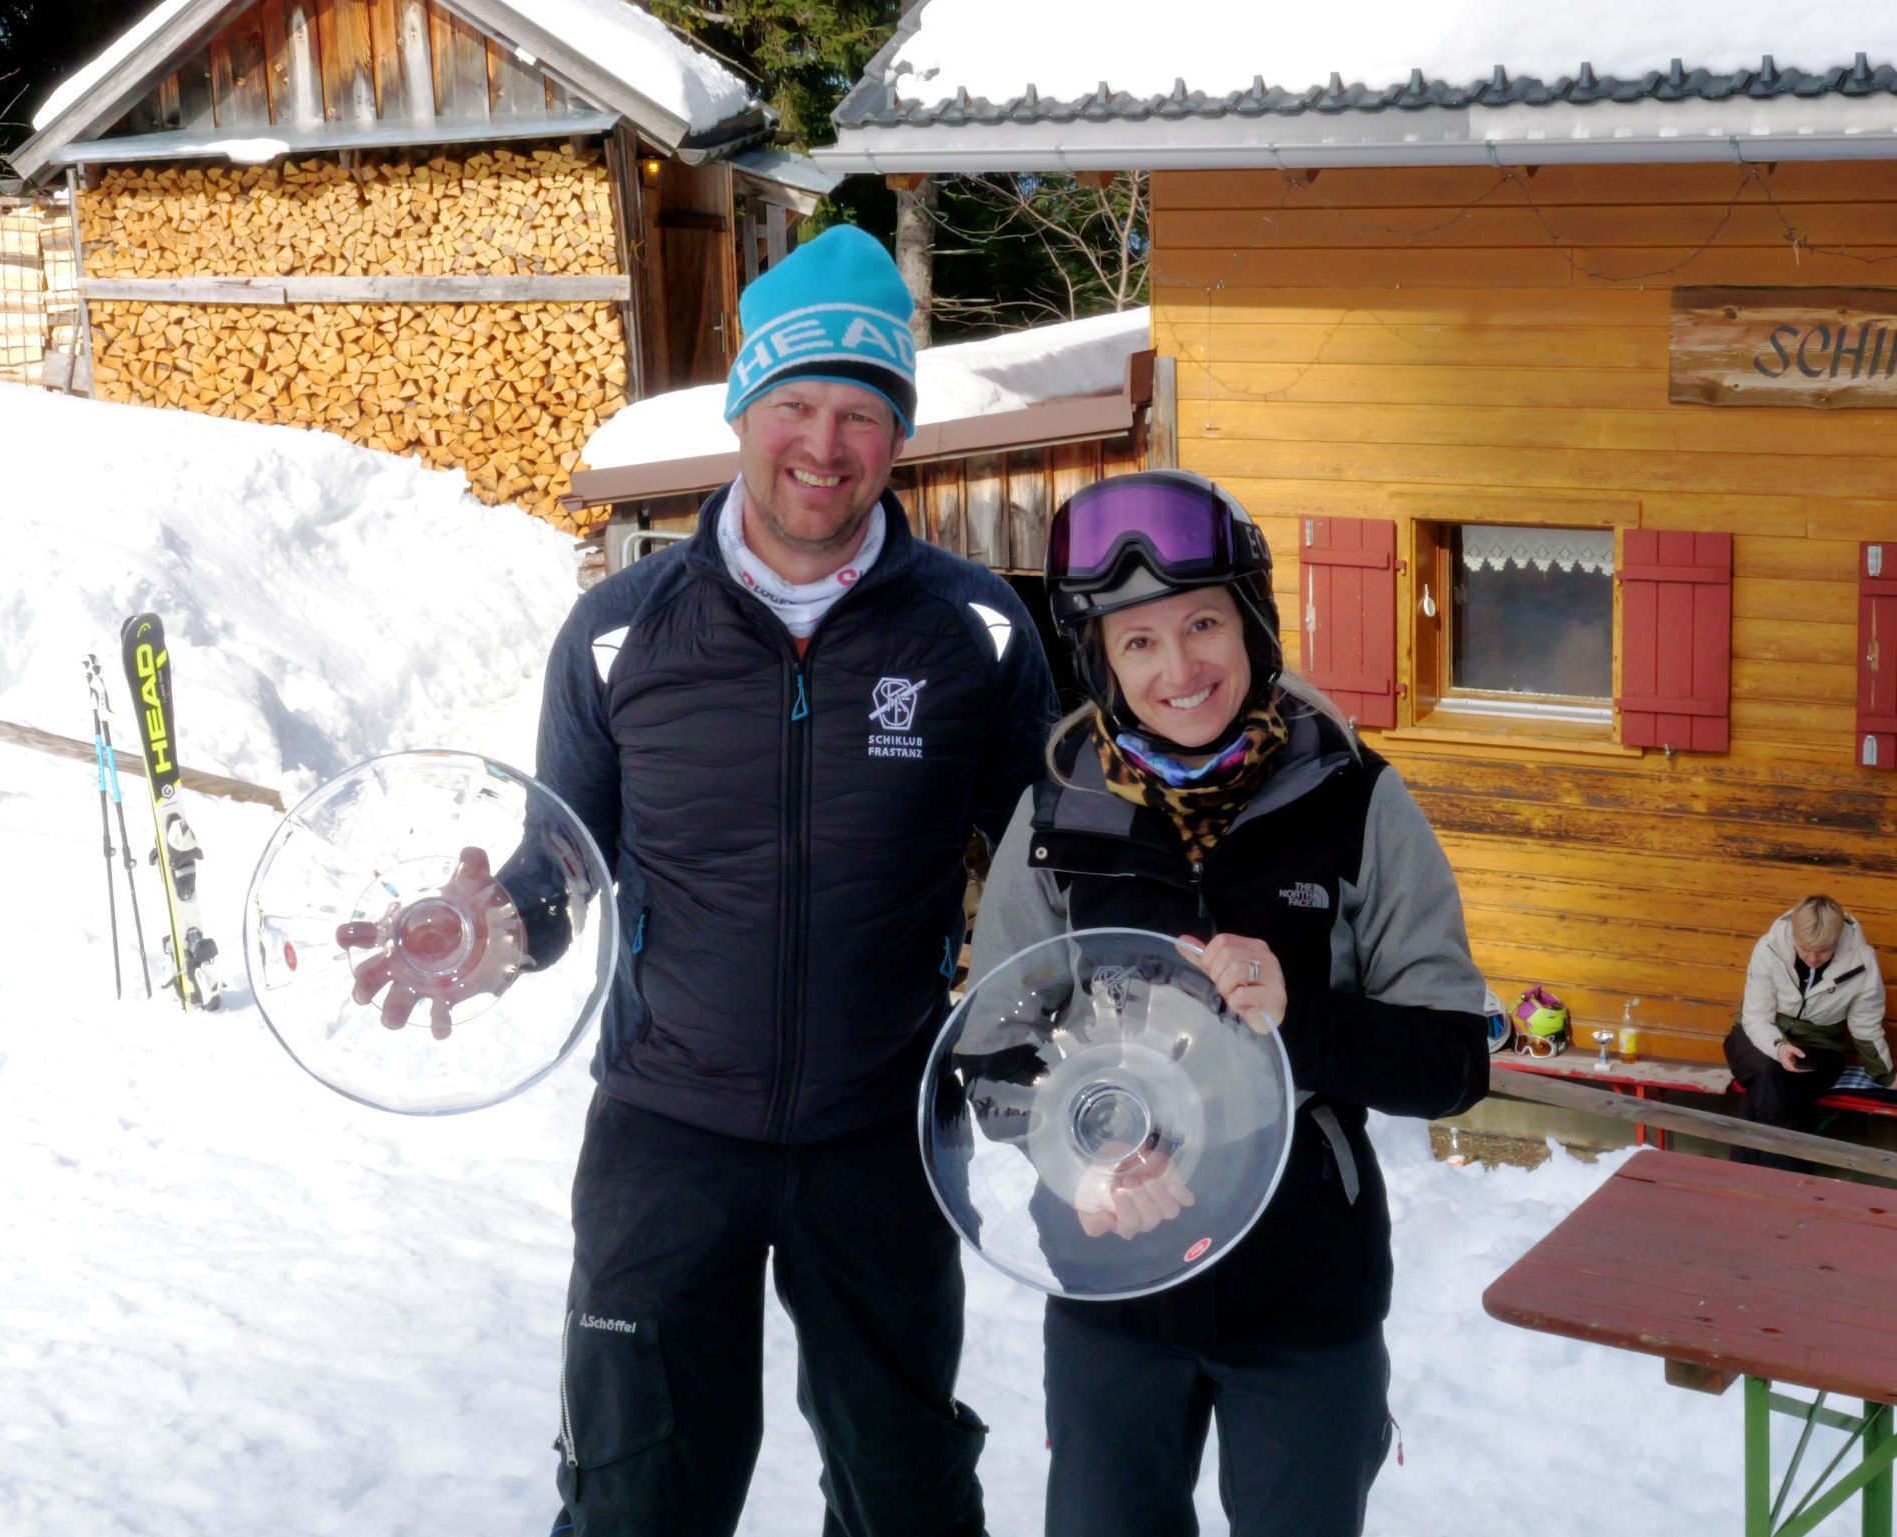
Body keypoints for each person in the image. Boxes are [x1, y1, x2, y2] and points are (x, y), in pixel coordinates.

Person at [533, 226, 1056, 1537]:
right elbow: (561, 854)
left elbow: (1054, 887)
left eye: (862, 415)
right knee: (634, 1495)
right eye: (799, 404)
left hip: (881, 1135)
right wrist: (488, 919)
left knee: (905, 1496)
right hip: (665, 1137)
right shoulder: (617, 631)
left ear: (898, 438)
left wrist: (1059, 1066)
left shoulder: (981, 632)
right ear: (744, 409)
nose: (825, 446)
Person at [966, 469, 1490, 1537]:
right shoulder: (1056, 815)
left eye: (1201, 623)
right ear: (1101, 663)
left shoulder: (1353, 801)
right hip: (1112, 1291)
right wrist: (1087, 1150)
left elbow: (1450, 1064)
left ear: (1251, 622)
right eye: (1138, 642)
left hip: (1304, 1300)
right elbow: (991, 1058)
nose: (1178, 668)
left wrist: (1300, 1015)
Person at [1725, 895, 1892, 1171]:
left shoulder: (1861, 961)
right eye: (1805, 949)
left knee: (1768, 1089)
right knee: (1769, 1071)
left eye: (1824, 951)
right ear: (1792, 935)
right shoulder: (1769, 948)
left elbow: (1866, 1025)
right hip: (1753, 1037)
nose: (1813, 959)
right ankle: (1789, 1183)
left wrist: (1885, 1076)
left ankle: (1742, 1175)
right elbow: (1756, 1017)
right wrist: (1779, 1048)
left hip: (1819, 1048)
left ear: (1838, 940)